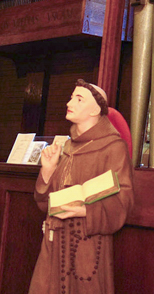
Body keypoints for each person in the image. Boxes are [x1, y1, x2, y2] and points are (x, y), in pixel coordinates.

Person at [29, 80, 134, 293]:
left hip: (87, 247)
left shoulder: (113, 147)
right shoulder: (68, 147)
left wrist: (86, 210)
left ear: (95, 109)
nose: (70, 102)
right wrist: (48, 171)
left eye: (79, 99)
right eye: (71, 97)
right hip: (54, 245)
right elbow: (44, 205)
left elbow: (124, 202)